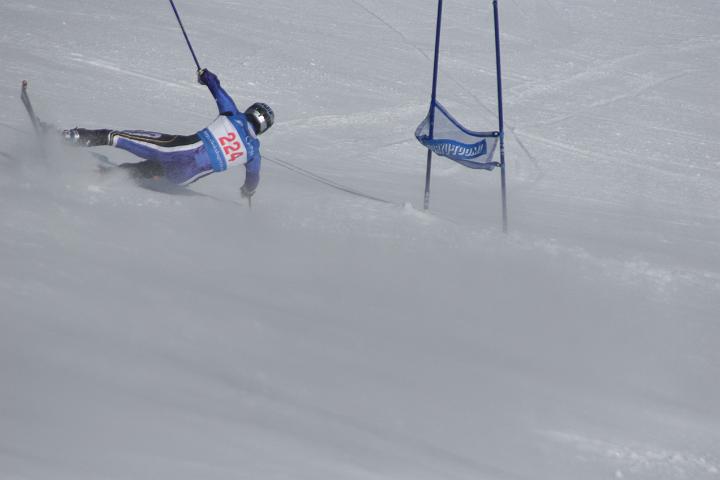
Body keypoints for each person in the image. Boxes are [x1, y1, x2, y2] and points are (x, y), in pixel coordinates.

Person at [62, 69, 273, 198]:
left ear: (250, 111)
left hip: (175, 151)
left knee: (117, 137)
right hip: (182, 177)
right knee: (145, 169)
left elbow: (215, 87)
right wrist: (247, 191)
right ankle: (104, 177)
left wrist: (205, 76)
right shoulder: (253, 153)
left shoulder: (233, 115)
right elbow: (253, 179)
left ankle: (71, 137)